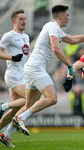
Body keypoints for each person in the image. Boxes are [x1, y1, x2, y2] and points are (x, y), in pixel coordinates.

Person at [5, 5, 84, 145]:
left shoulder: (55, 28)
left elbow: (72, 39)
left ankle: (6, 133)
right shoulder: (53, 27)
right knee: (52, 98)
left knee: (29, 104)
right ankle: (20, 118)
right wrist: (69, 65)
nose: (69, 18)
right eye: (67, 15)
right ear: (61, 16)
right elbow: (56, 48)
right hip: (36, 67)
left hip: (32, 67)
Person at [0, 9, 29, 148]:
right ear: (14, 21)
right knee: (30, 100)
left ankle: (5, 134)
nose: (24, 21)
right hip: (13, 75)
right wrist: (11, 57)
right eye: (21, 19)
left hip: (22, 75)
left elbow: (25, 56)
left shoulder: (27, 37)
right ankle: (2, 106)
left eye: (25, 19)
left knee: (15, 109)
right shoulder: (9, 36)